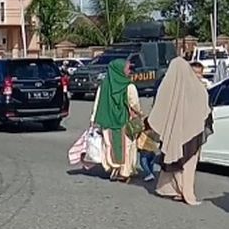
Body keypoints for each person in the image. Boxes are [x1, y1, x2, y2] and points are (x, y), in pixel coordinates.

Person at [148, 58, 213, 206]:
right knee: (187, 165)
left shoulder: (171, 89)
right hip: (192, 135)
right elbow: (206, 111)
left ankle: (172, 189)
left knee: (175, 160)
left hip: (176, 133)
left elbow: (159, 108)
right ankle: (183, 192)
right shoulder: (198, 90)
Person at [90, 59, 142, 182]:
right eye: (128, 68)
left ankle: (113, 168)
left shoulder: (104, 86)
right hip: (124, 121)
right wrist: (140, 114)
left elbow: (97, 103)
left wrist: (93, 119)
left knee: (109, 145)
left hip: (107, 121)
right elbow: (134, 104)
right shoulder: (129, 86)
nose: (130, 71)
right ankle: (124, 172)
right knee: (126, 147)